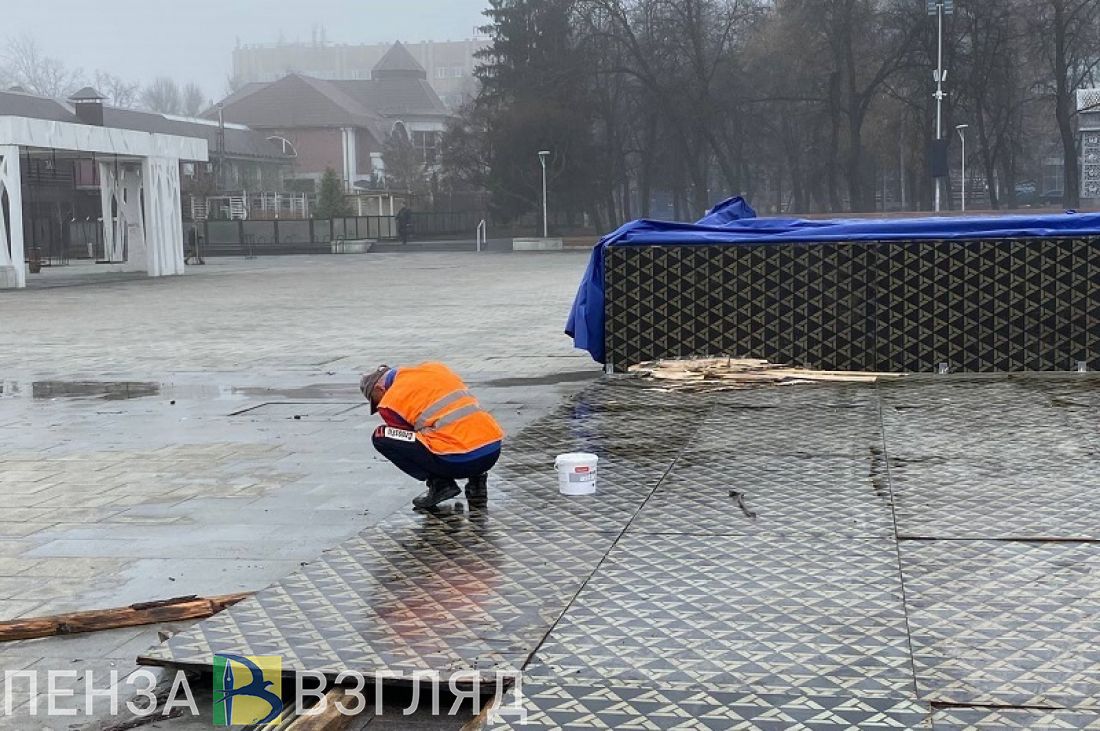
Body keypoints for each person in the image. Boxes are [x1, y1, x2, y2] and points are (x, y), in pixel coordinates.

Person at [361, 362, 504, 509]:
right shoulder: (435, 368)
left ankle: (440, 485)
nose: (379, 406)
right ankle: (477, 483)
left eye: (375, 399)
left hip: (458, 462)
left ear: (379, 388)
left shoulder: (389, 403)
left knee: (381, 435)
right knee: (464, 424)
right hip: (492, 450)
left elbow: (412, 440)